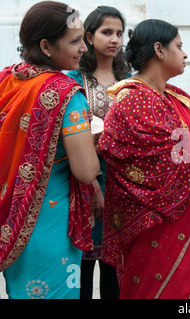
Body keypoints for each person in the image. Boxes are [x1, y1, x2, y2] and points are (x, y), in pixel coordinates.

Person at [98, 19, 190, 299]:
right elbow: (170, 169)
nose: (185, 54)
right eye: (179, 46)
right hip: (159, 225)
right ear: (159, 50)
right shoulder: (133, 100)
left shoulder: (178, 98)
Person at [0, 1, 99, 299]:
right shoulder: (65, 94)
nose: (84, 47)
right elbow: (86, 170)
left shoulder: (8, 80)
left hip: (10, 221)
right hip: (49, 223)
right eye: (74, 41)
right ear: (46, 45)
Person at [67, 5, 130, 300]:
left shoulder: (130, 80)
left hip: (123, 182)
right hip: (81, 179)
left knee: (115, 270)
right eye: (107, 32)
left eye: (119, 33)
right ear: (89, 37)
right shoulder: (72, 80)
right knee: (79, 268)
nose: (114, 39)